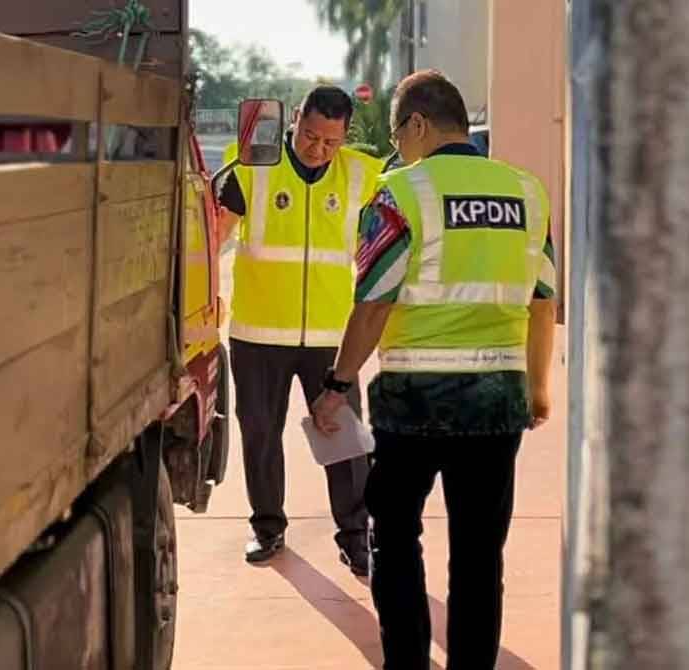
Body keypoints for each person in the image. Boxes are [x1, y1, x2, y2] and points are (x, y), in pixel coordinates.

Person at [312, 70, 557, 668]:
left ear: (418, 123)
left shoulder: (400, 193)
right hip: (497, 400)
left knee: (395, 543)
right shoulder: (527, 192)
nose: (397, 147)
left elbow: (372, 301)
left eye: (398, 134)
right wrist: (538, 386)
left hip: (413, 401)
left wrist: (336, 386)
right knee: (479, 554)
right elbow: (544, 299)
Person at [218, 86, 383, 575]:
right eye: (310, 136)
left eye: (331, 141)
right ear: (294, 122)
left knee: (345, 441)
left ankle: (356, 537)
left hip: (332, 338)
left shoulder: (363, 175)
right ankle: (267, 527)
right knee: (260, 436)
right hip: (259, 333)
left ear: (345, 136)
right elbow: (217, 231)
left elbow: (378, 248)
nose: (318, 149)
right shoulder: (250, 164)